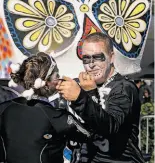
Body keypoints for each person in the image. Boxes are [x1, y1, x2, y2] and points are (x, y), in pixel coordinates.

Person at [57, 32, 145, 163]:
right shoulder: (79, 84)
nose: (91, 64)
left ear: (111, 57)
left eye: (98, 57)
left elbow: (110, 126)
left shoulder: (123, 88)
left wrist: (82, 97)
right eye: (86, 58)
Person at [0, 52, 90, 163]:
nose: (60, 79)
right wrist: (85, 97)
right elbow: (89, 134)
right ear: (46, 83)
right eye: (56, 76)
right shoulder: (56, 116)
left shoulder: (3, 109)